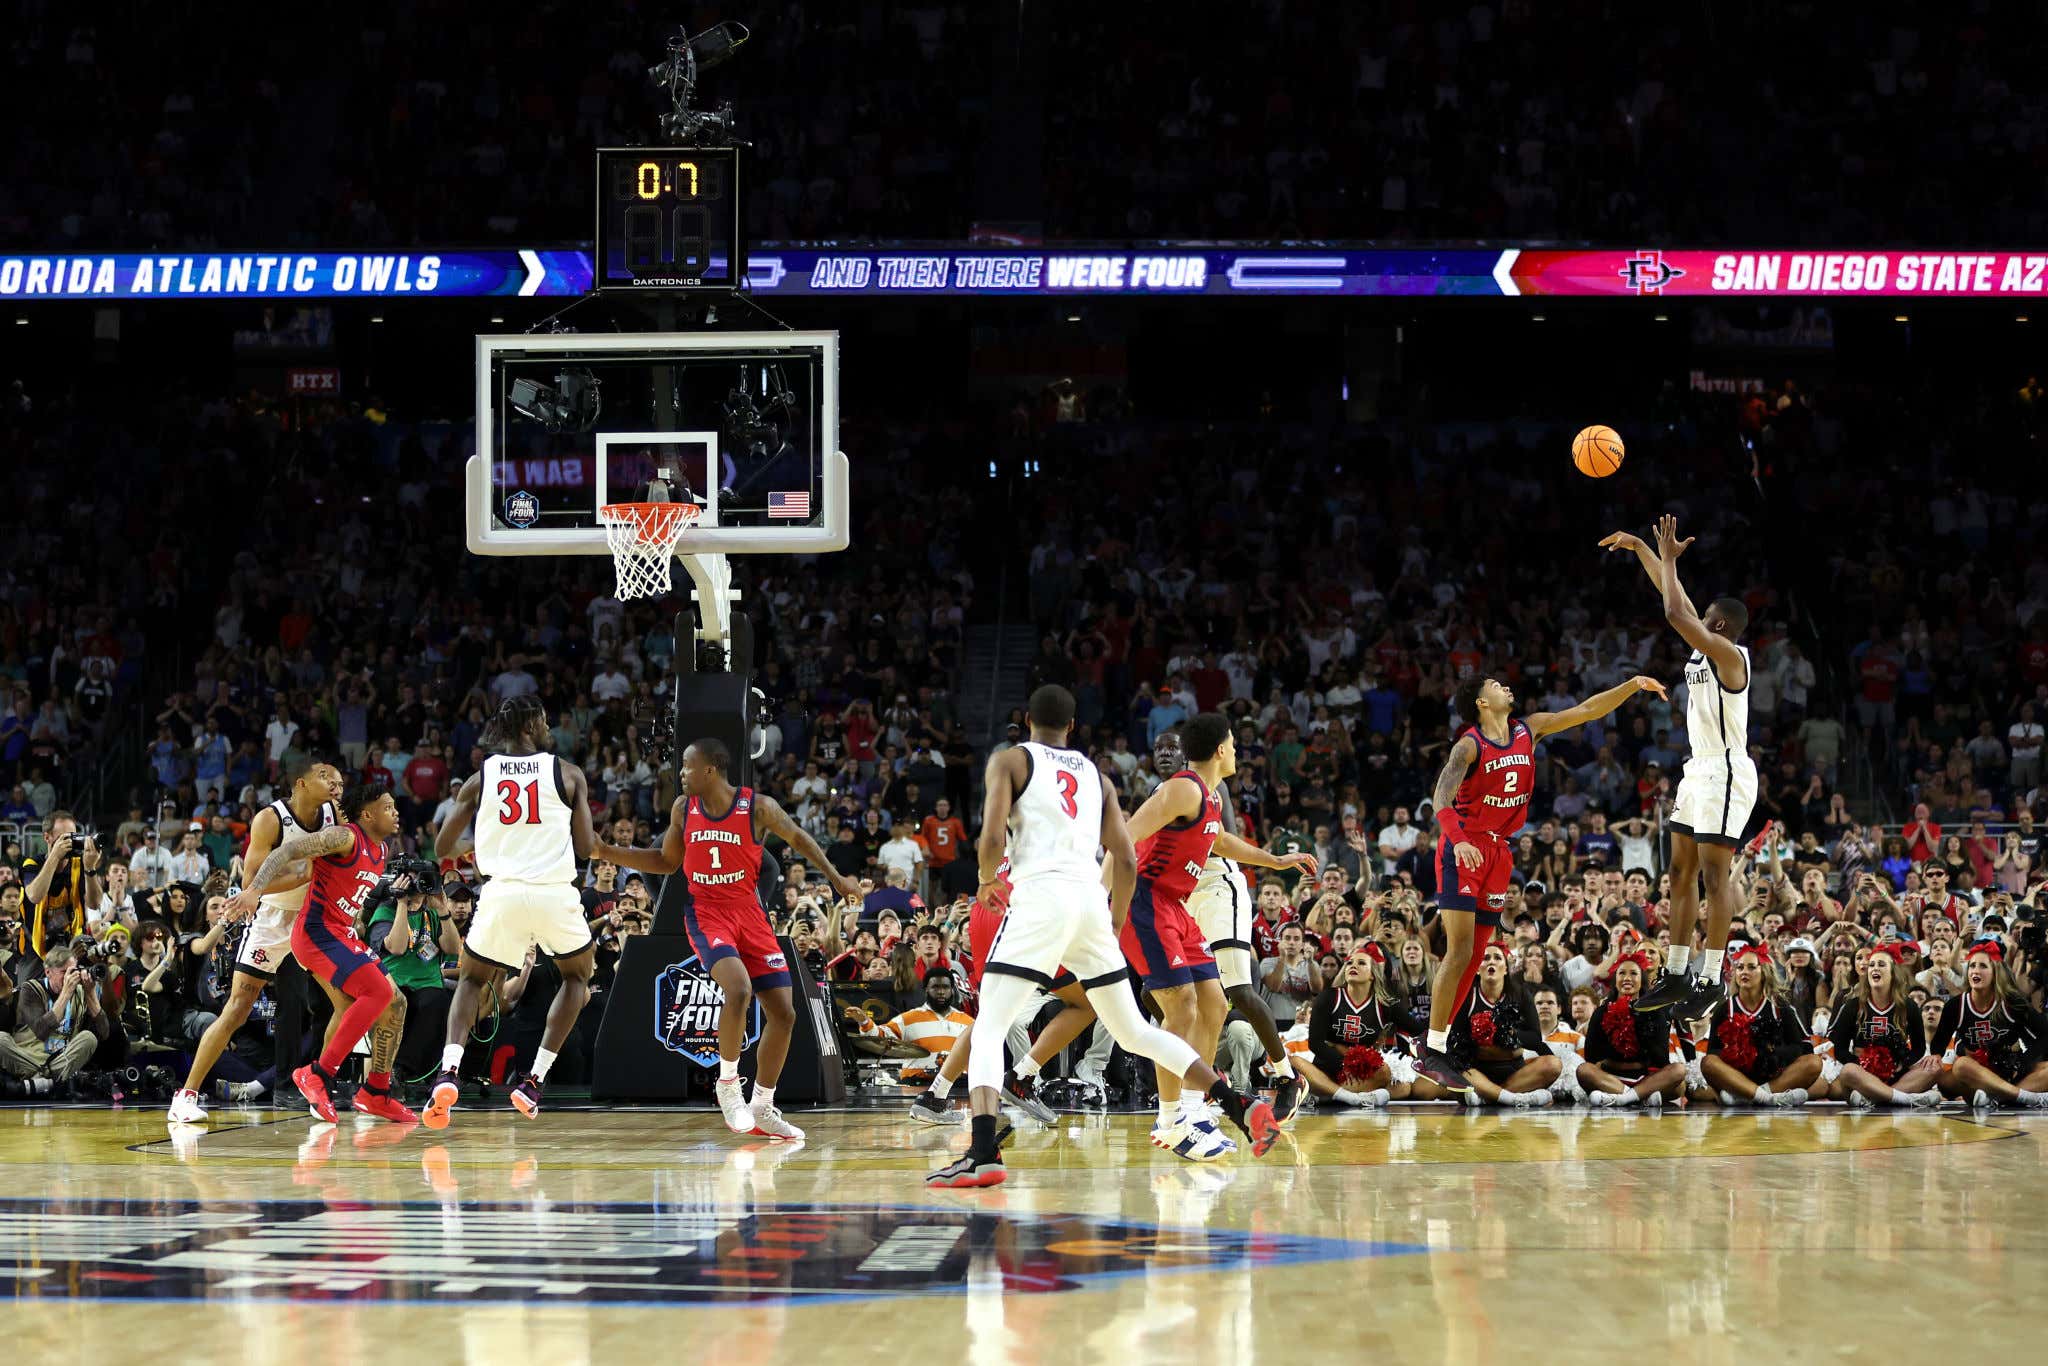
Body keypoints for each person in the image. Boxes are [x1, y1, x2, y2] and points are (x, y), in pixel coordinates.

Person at [927, 687, 1285, 1188]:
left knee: (989, 1026)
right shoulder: (1096, 777)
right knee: (1136, 1029)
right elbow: (1126, 853)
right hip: (1090, 909)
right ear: (1073, 728)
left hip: (1040, 899)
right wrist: (1113, 921)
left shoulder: (1010, 760)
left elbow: (990, 838)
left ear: (1029, 721)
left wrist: (987, 878)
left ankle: (983, 1151)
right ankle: (1235, 1102)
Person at [1414, 669, 1667, 1089]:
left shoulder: (1527, 730)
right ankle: (1433, 1048)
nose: (1505, 686)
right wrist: (1457, 840)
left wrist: (1630, 686)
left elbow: (1586, 711)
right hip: (1465, 846)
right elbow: (1442, 796)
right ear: (1480, 701)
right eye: (1495, 685)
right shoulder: (1468, 745)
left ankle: (1438, 1045)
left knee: (1477, 955)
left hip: (1498, 851)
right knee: (1458, 950)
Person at [601, 734, 859, 1141]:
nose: (680, 773)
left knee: (784, 1013)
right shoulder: (684, 809)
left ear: (710, 769)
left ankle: (763, 1104)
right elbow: (667, 861)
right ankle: (727, 1084)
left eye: (687, 765)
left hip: (750, 913)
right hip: (708, 914)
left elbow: (799, 839)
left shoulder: (757, 807)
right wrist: (609, 852)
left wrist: (835, 877)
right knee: (737, 990)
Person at [1120, 710, 1319, 1157]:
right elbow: (1124, 837)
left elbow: (1220, 842)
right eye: (1232, 742)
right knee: (1182, 1006)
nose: (1236, 749)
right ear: (1221, 749)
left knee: (1213, 1001)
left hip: (1176, 906)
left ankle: (1193, 1108)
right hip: (1146, 901)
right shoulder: (1181, 789)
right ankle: (1170, 1120)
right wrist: (1102, 902)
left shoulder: (1208, 796)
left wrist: (1275, 861)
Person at [1604, 518, 1756, 1019]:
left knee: (1715, 878)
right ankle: (1676, 971)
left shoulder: (1731, 657)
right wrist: (1643, 549)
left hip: (1728, 772)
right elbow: (1674, 597)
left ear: (1720, 627)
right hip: (1699, 772)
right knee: (1678, 871)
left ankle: (1711, 977)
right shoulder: (1705, 644)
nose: (1698, 617)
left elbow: (1673, 609)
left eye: (1705, 617)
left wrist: (1669, 560)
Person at [424, 698, 598, 1128]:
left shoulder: (480, 778)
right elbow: (585, 847)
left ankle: (449, 1070)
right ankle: (534, 1080)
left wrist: (480, 847)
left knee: (470, 979)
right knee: (577, 978)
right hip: (554, 893)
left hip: (501, 892)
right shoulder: (569, 773)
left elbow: (442, 848)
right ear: (533, 724)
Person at [168, 758, 341, 1126]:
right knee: (237, 1010)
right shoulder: (270, 819)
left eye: (337, 777)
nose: (333, 781)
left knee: (344, 1002)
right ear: (301, 784)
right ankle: (186, 1095)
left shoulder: (335, 814)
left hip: (313, 922)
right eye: (324, 775)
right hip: (272, 922)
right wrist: (302, 874)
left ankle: (319, 1084)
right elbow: (250, 883)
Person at [227, 784, 412, 1123]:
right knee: (378, 992)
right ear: (368, 813)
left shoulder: (381, 849)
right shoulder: (344, 837)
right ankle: (318, 1074)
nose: (396, 811)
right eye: (388, 806)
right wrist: (254, 889)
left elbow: (350, 894)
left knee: (396, 1004)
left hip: (340, 932)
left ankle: (376, 1092)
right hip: (315, 933)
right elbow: (286, 852)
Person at [1156, 730, 1305, 1124]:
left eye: (1174, 747)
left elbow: (1224, 840)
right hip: (1182, 894)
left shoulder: (1212, 789)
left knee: (1237, 990)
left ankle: (1287, 1076)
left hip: (1219, 888)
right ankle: (1197, 1084)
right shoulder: (1163, 792)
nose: (1167, 754)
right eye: (1161, 748)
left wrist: (1273, 861)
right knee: (1162, 994)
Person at [908, 855, 1100, 1128]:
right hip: (1024, 907)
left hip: (987, 906)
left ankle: (934, 1095)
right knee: (1087, 1003)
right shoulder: (1071, 825)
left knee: (990, 1020)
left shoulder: (1013, 831)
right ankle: (1022, 1076)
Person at [1296, 943, 1434, 1106]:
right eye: (1350, 963)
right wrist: (1344, 1064)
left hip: (1360, 1074)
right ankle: (1345, 1096)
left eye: (1361, 963)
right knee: (1295, 1061)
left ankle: (1330, 1095)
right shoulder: (1328, 997)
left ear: (1372, 974)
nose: (1353, 965)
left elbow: (1418, 1030)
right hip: (1327, 1068)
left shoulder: (1385, 1004)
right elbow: (1315, 1043)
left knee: (1401, 1086)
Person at [1698, 943, 1820, 1107]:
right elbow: (1713, 1050)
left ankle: (1747, 1095)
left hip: (1773, 1075)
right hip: (1736, 1074)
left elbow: (1798, 1047)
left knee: (1814, 1063)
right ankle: (1768, 1099)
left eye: (1751, 967)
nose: (1744, 972)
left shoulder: (1779, 1007)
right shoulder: (1725, 1009)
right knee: (1708, 1062)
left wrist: (1770, 1054)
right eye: (1740, 967)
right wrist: (1735, 1055)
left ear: (1764, 972)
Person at [1445, 941, 1561, 1107]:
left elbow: (1535, 1037)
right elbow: (1455, 1042)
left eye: (1497, 958)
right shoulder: (1466, 996)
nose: (1491, 961)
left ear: (1506, 969)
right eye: (1485, 958)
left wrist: (1508, 1034)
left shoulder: (1520, 993)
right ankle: (1511, 1098)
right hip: (1476, 1070)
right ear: (1477, 969)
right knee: (1457, 1069)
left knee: (1553, 1064)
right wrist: (1482, 1038)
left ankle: (1489, 1096)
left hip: (1513, 1071)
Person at [1933, 942, 2048, 1108]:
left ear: (1995, 973)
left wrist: (2023, 1062)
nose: (1975, 971)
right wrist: (1936, 1056)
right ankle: (2022, 1097)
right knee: (1961, 1065)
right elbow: (1938, 1045)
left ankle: (1998, 1097)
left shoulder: (2012, 1002)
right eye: (1972, 965)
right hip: (1975, 1077)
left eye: (1983, 966)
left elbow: (2045, 1033)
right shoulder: (1955, 1006)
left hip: (2009, 1073)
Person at [1830, 944, 1941, 1109]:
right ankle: (1905, 1099)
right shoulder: (1853, 1006)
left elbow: (1918, 1048)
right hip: (1863, 1076)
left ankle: (1876, 1099)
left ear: (1893, 972)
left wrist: (1903, 1062)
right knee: (1848, 1071)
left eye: (1882, 965)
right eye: (1872, 965)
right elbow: (1840, 1050)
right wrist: (1861, 1063)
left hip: (1896, 1075)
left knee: (1934, 1069)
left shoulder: (1908, 1006)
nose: (1875, 968)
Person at [1574, 950, 1688, 1107]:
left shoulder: (1655, 1010)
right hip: (1610, 1077)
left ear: (1642, 980)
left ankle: (1624, 1098)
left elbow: (1661, 1059)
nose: (1627, 978)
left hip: (1646, 1078)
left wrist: (1642, 1025)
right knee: (1583, 1070)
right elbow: (1591, 1057)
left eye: (1633, 973)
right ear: (1615, 980)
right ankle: (1637, 1096)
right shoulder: (1601, 1011)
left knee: (1679, 1072)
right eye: (1622, 973)